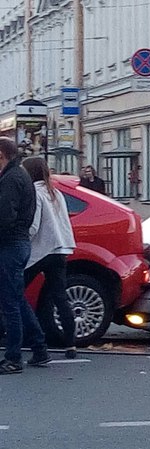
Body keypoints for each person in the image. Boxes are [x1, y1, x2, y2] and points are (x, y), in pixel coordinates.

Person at [0, 137, 50, 374]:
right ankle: (39, 348)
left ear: (1, 155)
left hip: (9, 246)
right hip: (18, 244)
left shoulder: (11, 179)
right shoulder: (18, 175)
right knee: (16, 299)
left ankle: (13, 358)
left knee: (10, 304)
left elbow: (5, 218)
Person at [22, 157, 78, 360]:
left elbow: (33, 226)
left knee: (15, 292)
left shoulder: (35, 193)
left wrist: (20, 236)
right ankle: (71, 344)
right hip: (61, 249)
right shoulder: (56, 193)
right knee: (60, 297)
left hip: (42, 250)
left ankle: (32, 336)